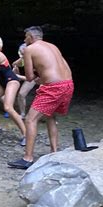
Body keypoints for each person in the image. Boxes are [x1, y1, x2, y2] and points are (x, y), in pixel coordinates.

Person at [8, 26, 74, 169]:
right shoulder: (53, 46)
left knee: (31, 120)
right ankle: (54, 152)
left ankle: (28, 158)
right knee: (50, 116)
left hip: (54, 87)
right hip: (68, 84)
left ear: (31, 37)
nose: (24, 40)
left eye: (25, 37)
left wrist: (16, 74)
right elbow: (62, 68)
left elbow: (30, 77)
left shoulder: (29, 49)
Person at [12, 43, 37, 119]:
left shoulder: (36, 59)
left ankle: (52, 117)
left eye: (23, 54)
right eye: (21, 54)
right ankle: (23, 114)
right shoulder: (23, 58)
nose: (22, 56)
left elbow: (32, 78)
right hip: (31, 77)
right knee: (21, 94)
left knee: (48, 97)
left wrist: (17, 76)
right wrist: (16, 70)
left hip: (41, 77)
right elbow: (14, 64)